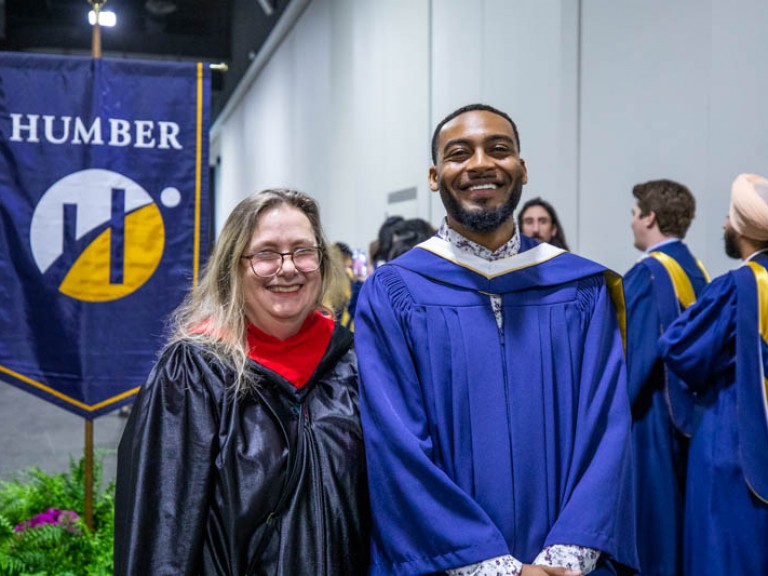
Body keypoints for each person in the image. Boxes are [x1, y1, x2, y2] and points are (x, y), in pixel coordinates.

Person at [354, 103, 637, 576]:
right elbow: (396, 444)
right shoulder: (394, 293)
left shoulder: (579, 288)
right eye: (459, 153)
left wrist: (563, 560)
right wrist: (493, 567)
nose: (480, 163)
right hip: (446, 563)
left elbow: (608, 428)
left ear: (522, 169)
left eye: (499, 149)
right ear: (434, 176)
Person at [114, 188, 370, 575]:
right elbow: (163, 533)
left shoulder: (349, 361)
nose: (288, 268)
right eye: (266, 254)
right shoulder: (193, 372)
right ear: (233, 266)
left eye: (303, 251)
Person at [659, 173, 768, 575]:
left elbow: (680, 348)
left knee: (723, 550)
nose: (724, 224)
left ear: (742, 228)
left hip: (733, 433)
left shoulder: (737, 285)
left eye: (728, 217)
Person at [623, 179, 709, 576]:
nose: (632, 222)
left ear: (650, 218)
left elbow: (635, 356)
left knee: (652, 524)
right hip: (692, 413)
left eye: (634, 214)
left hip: (651, 413)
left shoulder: (650, 274)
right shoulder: (696, 269)